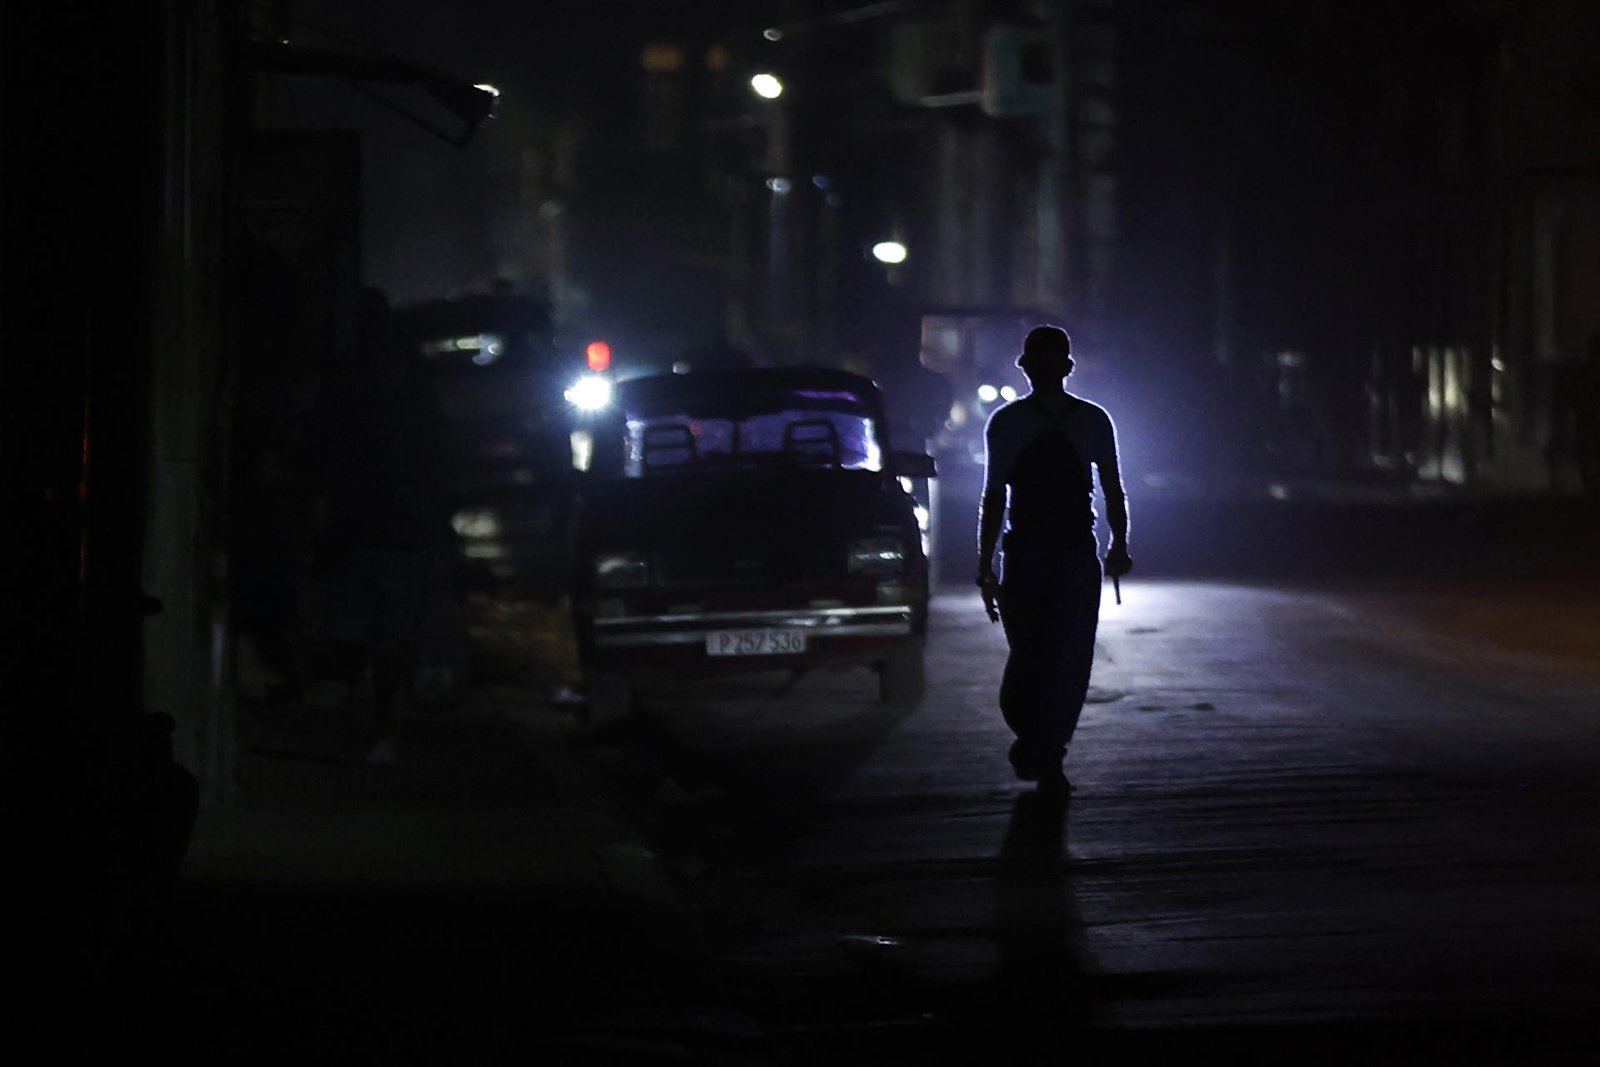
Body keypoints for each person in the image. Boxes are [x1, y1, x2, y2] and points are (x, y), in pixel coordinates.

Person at [976, 325, 1132, 788]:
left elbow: (994, 498)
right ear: (1068, 368)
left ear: (1025, 369)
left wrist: (985, 565)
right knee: (1070, 655)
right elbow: (1113, 490)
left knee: (1028, 653)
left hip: (1025, 553)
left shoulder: (1006, 423)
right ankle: (1048, 748)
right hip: (1075, 553)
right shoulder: (1094, 420)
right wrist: (1118, 545)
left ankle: (1035, 741)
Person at [310, 287, 453, 765]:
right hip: (393, 527)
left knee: (361, 629)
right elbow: (436, 450)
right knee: (387, 632)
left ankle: (368, 717)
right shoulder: (403, 379)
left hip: (363, 525)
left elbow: (324, 448)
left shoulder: (347, 379)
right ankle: (380, 724)